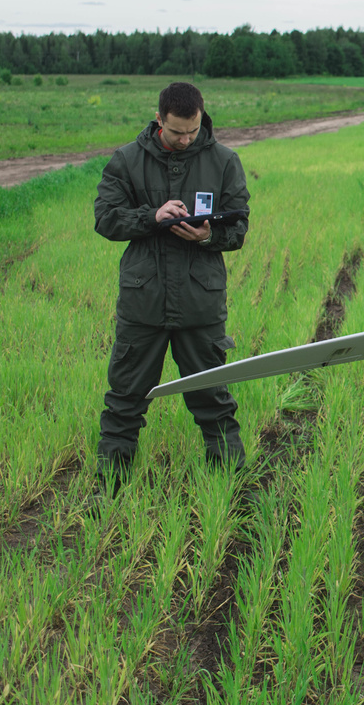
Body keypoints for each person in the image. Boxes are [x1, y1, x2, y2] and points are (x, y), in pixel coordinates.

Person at [92, 81, 250, 491]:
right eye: (177, 131)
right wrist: (151, 216)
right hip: (143, 301)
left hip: (200, 304)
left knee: (213, 399)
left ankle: (230, 488)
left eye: (193, 131)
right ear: (159, 118)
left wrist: (208, 236)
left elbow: (239, 227)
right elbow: (105, 218)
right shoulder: (127, 160)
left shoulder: (224, 161)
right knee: (125, 399)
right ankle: (109, 489)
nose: (185, 139)